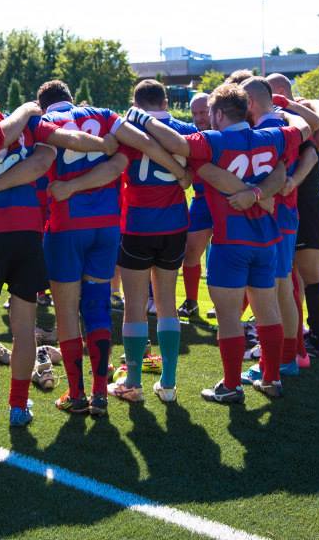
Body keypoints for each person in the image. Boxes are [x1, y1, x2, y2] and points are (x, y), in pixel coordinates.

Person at [129, 83, 314, 402]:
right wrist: (285, 110)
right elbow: (307, 128)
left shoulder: (213, 140)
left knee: (229, 318)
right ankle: (271, 379)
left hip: (230, 243)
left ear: (217, 113)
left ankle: (231, 385)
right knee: (267, 312)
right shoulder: (272, 136)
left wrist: (142, 119)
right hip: (267, 240)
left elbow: (175, 142)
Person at [0, 90, 119, 426]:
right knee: (24, 327)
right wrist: (103, 145)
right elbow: (67, 140)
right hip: (29, 232)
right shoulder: (29, 125)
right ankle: (18, 405)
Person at [37, 79, 189, 416]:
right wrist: (179, 170)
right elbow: (133, 153)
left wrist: (69, 187)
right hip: (107, 228)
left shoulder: (44, 123)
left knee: (66, 311)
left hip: (65, 226)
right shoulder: (105, 115)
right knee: (97, 306)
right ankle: (100, 394)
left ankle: (76, 393)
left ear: (43, 103)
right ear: (73, 99)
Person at [108, 79, 198, 404]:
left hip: (136, 225)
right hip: (174, 224)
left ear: (136, 102)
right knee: (166, 302)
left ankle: (133, 382)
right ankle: (169, 384)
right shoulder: (184, 129)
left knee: (134, 306)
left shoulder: (126, 129)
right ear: (164, 101)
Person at [239, 77, 319, 383]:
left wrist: (282, 186)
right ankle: (288, 357)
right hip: (288, 216)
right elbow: (311, 151)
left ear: (249, 102)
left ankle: (278, 362)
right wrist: (293, 182)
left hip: (270, 218)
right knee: (283, 287)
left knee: (269, 291)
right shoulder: (288, 124)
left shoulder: (259, 132)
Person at [266, 74, 319, 358]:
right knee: (289, 275)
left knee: (311, 273)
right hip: (294, 206)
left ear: (280, 93)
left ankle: (317, 339)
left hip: (306, 205)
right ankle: (295, 336)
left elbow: (313, 150)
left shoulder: (296, 117)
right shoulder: (293, 117)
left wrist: (291, 182)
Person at [178, 92, 213, 319]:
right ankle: (191, 301)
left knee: (228, 256)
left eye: (204, 112)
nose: (199, 117)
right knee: (190, 253)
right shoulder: (191, 135)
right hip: (201, 201)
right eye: (195, 113)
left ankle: (234, 307)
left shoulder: (226, 134)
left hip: (229, 202)